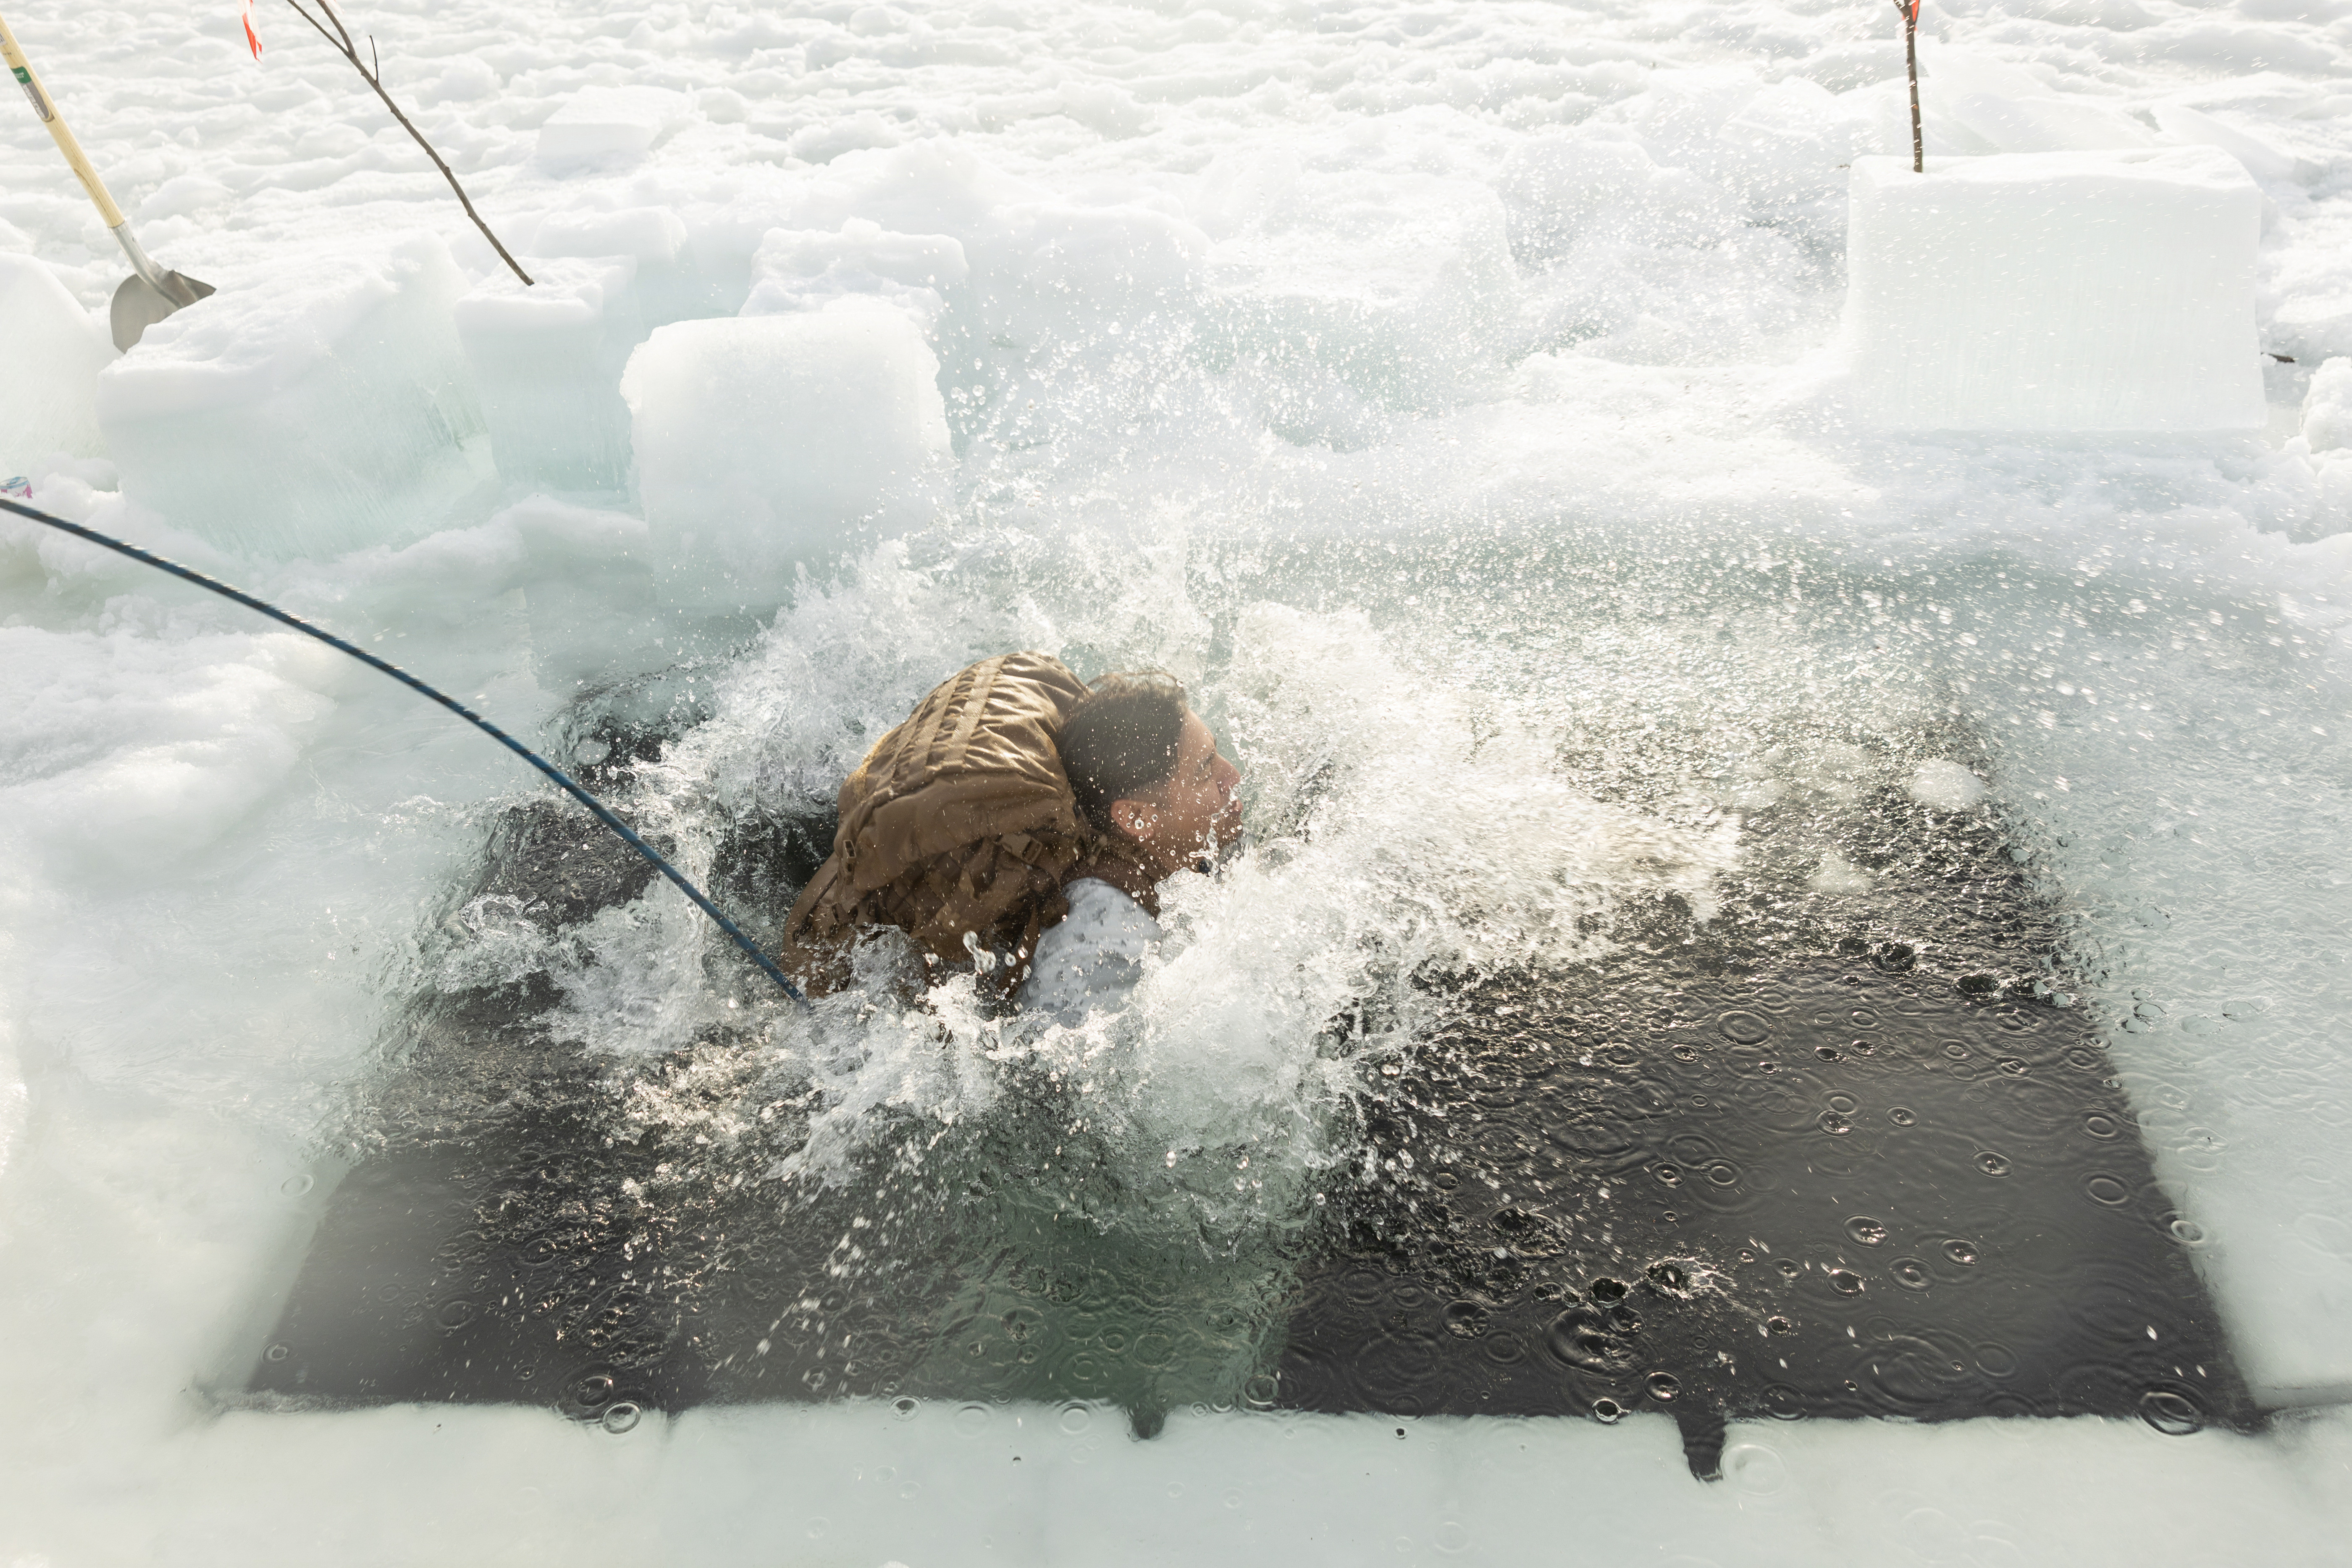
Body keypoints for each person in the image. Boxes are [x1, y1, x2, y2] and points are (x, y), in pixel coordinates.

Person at [1016, 671, 1242, 1019]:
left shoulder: (1168, 855)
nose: (1232, 776)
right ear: (1137, 817)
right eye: (1204, 771)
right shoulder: (1106, 936)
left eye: (1217, 754)